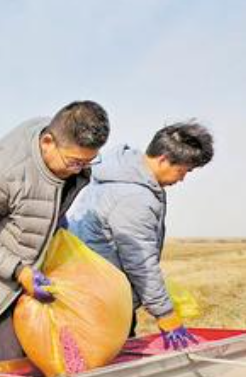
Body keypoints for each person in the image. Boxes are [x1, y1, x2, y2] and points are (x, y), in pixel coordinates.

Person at [0, 101, 110, 365]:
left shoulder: (69, 159)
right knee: (10, 373)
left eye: (88, 162)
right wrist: (20, 271)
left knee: (49, 362)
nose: (80, 169)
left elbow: (48, 216)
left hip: (30, 282)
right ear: (48, 142)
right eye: (74, 162)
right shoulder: (5, 173)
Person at [67, 122, 214, 348]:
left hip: (86, 292)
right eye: (184, 170)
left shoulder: (115, 177)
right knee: (110, 373)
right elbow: (140, 262)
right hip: (104, 303)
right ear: (164, 159)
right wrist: (165, 314)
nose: (183, 178)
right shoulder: (134, 197)